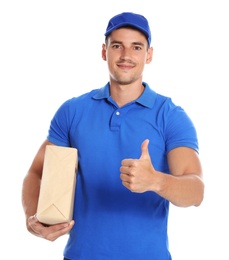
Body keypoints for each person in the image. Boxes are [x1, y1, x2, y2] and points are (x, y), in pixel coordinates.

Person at [22, 12, 204, 260]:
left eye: (136, 47)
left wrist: (155, 181)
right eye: (117, 45)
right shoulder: (73, 111)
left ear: (148, 55)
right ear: (104, 51)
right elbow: (36, 172)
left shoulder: (170, 116)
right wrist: (33, 217)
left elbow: (196, 190)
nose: (126, 55)